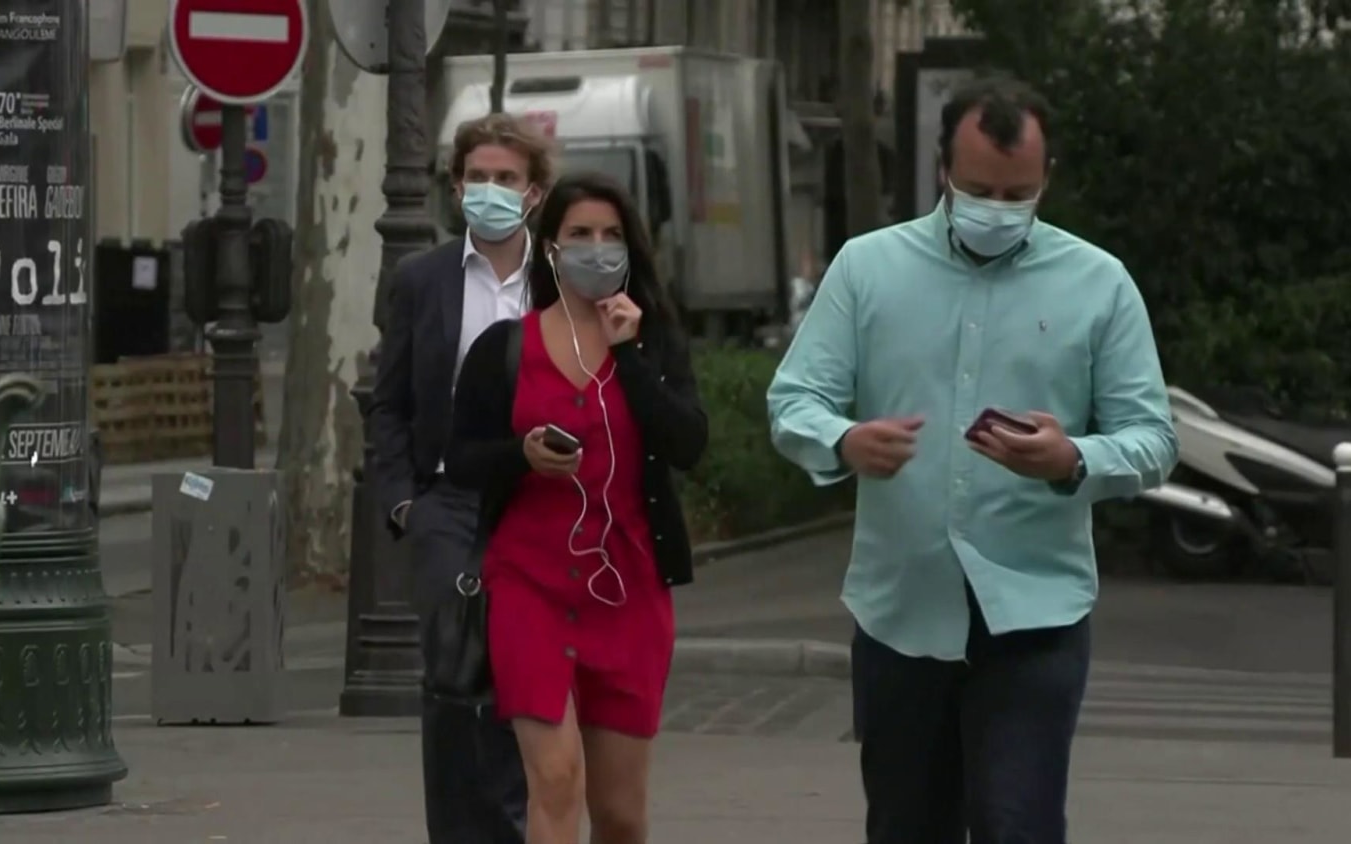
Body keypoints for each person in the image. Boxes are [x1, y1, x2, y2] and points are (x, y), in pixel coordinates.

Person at [767, 76, 1178, 843]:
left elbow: (1153, 439)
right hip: (901, 610)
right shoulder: (867, 269)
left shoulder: (1100, 283)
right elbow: (794, 402)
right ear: (942, 172)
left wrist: (1072, 458)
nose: (997, 206)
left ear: (1046, 177)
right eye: (979, 187)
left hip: (1035, 612)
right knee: (905, 825)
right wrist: (845, 441)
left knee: (1014, 822)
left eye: (1017, 191)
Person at [445, 171, 707, 844]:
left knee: (619, 813)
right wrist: (521, 454)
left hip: (628, 594)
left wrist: (630, 357)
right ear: (551, 248)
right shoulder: (502, 350)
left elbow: (687, 444)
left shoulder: (652, 344)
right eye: (580, 234)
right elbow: (462, 459)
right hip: (527, 585)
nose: (597, 248)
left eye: (611, 235)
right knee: (556, 782)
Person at [367, 111, 555, 844]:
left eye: (506, 179)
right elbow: (387, 402)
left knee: (519, 670)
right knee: (454, 664)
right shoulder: (422, 279)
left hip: (536, 499)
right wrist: (402, 503)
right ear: (455, 185)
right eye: (477, 178)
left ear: (534, 193)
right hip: (446, 501)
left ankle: (513, 824)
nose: (490, 191)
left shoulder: (558, 280)